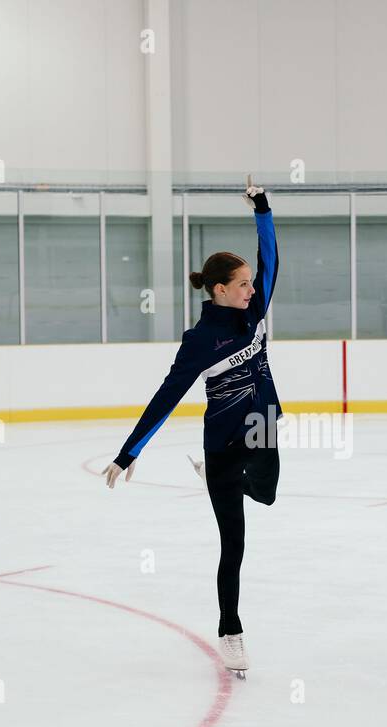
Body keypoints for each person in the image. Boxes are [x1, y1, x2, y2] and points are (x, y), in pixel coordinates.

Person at [102, 175, 280, 678]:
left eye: (252, 282)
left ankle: (224, 480)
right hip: (223, 443)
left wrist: (260, 206)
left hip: (263, 425)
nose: (252, 289)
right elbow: (166, 396)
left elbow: (271, 256)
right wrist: (128, 451)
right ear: (220, 290)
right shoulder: (200, 341)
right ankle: (231, 631)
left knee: (266, 493)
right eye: (242, 284)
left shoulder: (257, 305)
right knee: (234, 546)